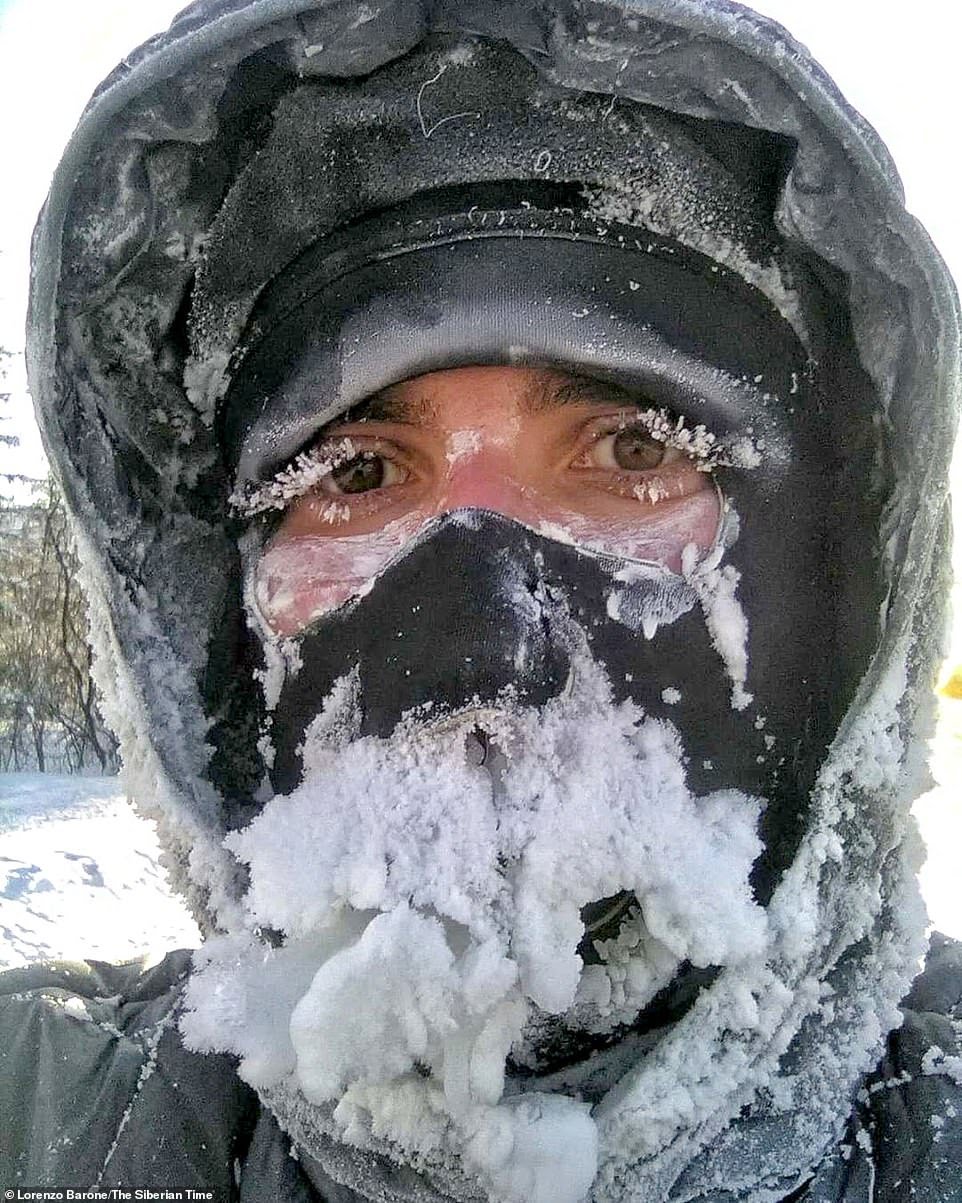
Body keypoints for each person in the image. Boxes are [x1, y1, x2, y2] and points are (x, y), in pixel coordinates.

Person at [2, 0, 960, 1199]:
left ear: (834, 599)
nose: (483, 644)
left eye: (631, 453)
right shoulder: (48, 1113)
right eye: (355, 476)